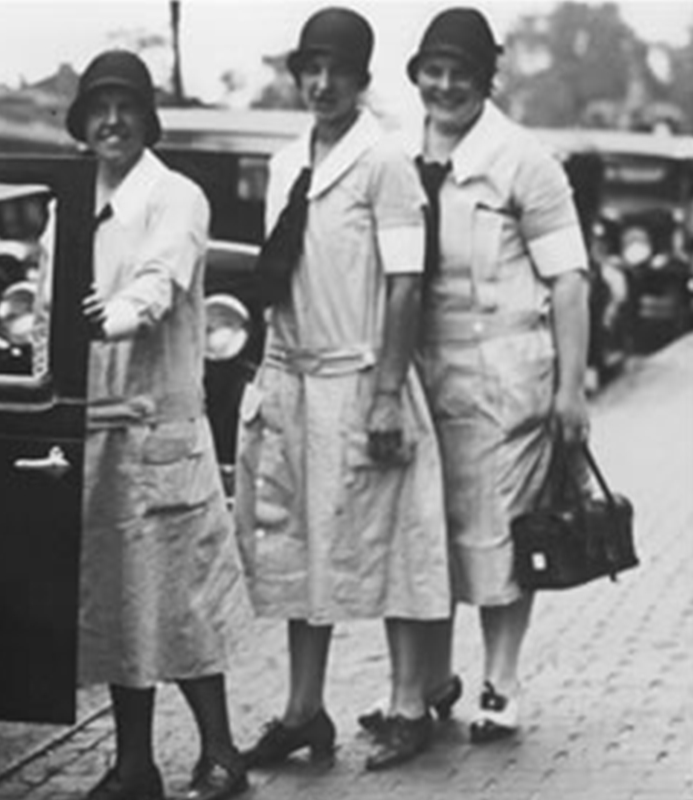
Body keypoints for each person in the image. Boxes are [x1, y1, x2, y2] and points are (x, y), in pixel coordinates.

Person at [233, 7, 451, 772]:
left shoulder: (386, 162)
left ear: (362, 81)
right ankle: (302, 710)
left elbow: (404, 284)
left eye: (339, 72)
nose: (322, 84)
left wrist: (388, 392)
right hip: (293, 379)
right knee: (297, 548)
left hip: (363, 381)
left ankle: (407, 704)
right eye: (312, 69)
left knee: (390, 545)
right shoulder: (286, 159)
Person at [371, 6, 590, 744]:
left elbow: (570, 282)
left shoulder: (525, 161)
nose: (444, 86)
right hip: (419, 377)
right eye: (432, 72)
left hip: (503, 381)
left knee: (498, 537)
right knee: (421, 534)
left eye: (459, 74)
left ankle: (501, 684)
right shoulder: (396, 155)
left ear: (485, 79)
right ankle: (429, 684)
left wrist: (570, 391)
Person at [39, 49, 253, 800]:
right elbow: (43, 310)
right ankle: (134, 767)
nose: (112, 121)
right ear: (81, 119)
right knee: (121, 609)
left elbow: (159, 283)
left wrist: (115, 316)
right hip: (93, 433)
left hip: (160, 430)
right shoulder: (67, 201)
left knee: (182, 600)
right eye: (98, 107)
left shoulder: (178, 197)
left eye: (126, 106)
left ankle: (222, 753)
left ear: (146, 116)